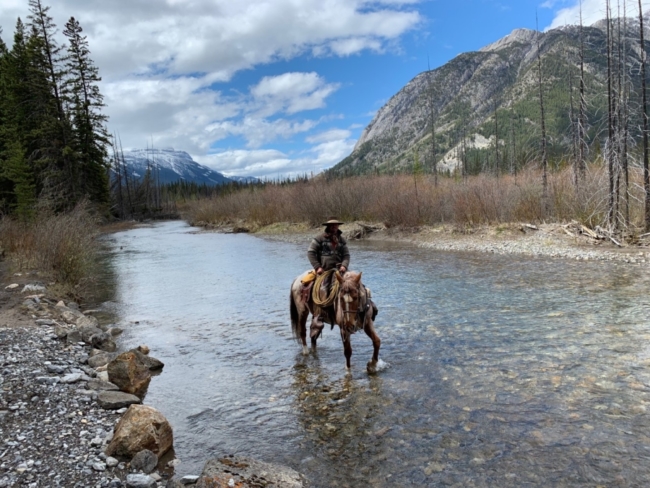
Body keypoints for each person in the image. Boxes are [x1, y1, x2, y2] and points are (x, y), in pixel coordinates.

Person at [307, 218, 350, 338]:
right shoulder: (319, 238)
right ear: (328, 227)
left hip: (340, 270)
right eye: (332, 226)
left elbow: (346, 255)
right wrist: (317, 267)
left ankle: (360, 312)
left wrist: (344, 266)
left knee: (355, 286)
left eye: (336, 226)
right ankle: (319, 316)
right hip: (325, 270)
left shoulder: (341, 240)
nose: (334, 228)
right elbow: (311, 252)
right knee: (324, 290)